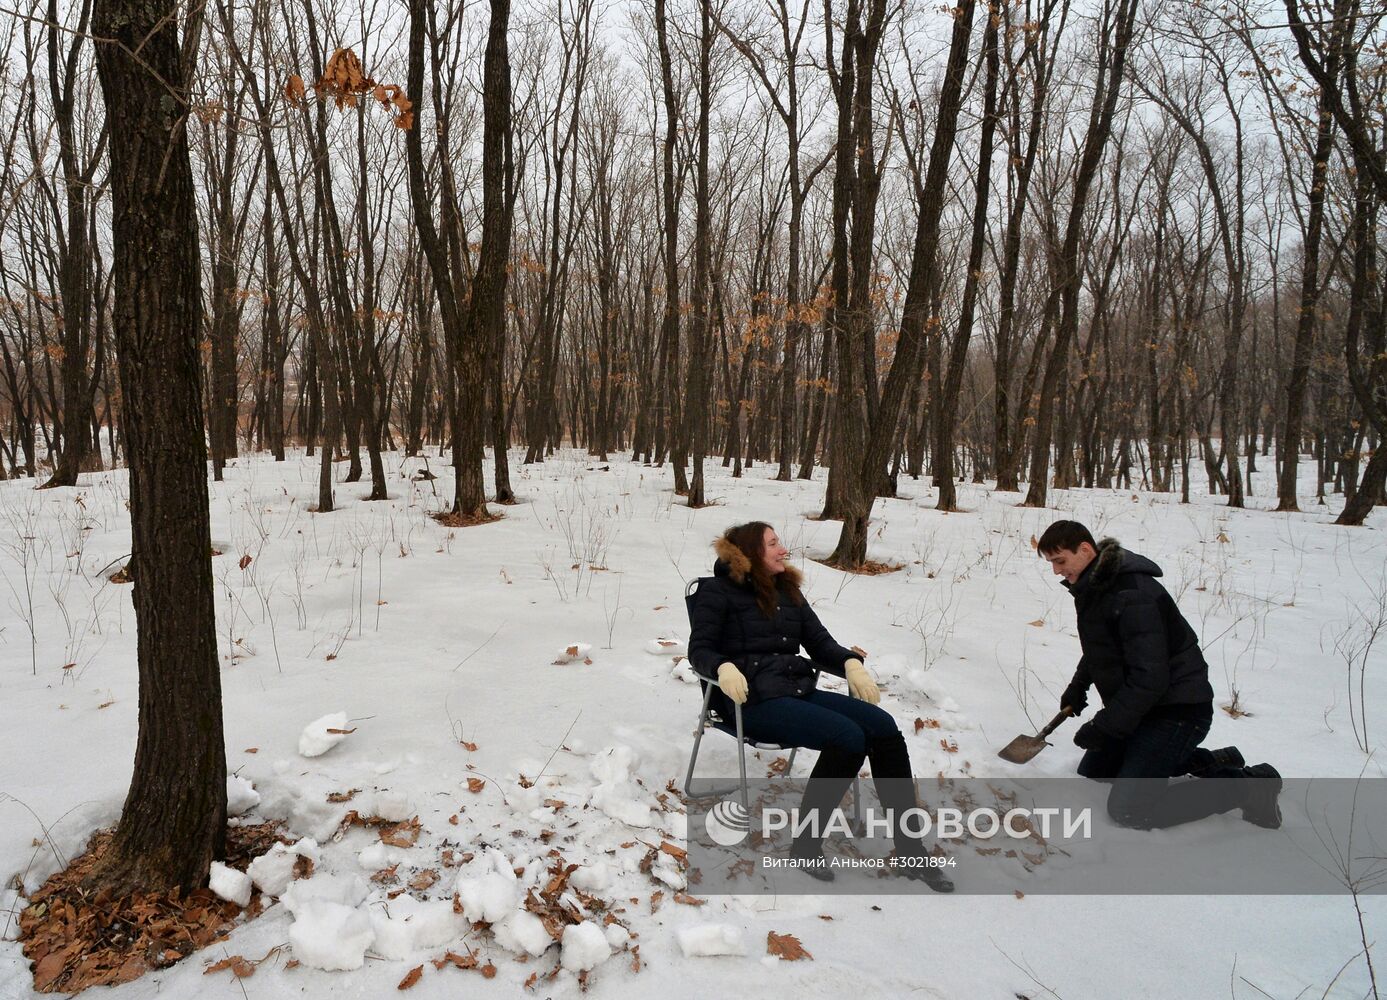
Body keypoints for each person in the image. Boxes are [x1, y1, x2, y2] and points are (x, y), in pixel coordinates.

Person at [687, 521, 953, 891]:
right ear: (750, 553)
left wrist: (849, 663)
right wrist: (722, 666)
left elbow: (819, 642)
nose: (783, 550)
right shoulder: (716, 593)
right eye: (774, 544)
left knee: (884, 728)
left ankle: (910, 850)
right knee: (847, 738)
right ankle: (806, 846)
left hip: (796, 690)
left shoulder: (788, 591)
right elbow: (699, 650)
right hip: (750, 702)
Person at [1039, 519, 1282, 830]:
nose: (1057, 571)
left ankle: (1250, 785)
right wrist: (1078, 687)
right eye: (1051, 563)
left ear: (1085, 550)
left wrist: (1105, 725)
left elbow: (1150, 678)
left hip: (1176, 712)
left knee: (1130, 810)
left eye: (1060, 561)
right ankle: (1211, 760)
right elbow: (1103, 648)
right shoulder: (1097, 587)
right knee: (1096, 773)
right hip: (1143, 710)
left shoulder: (1132, 594)